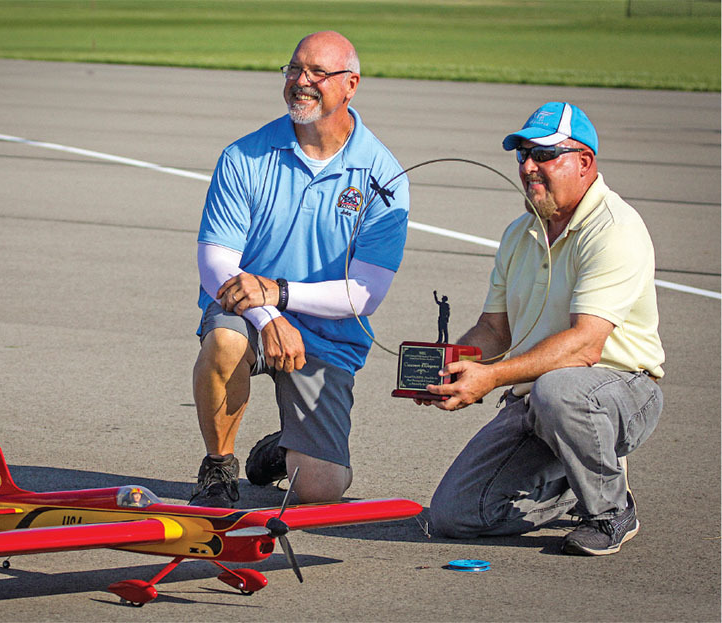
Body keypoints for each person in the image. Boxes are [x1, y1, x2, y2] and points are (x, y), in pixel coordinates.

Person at [420, 102, 664, 556]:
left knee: (560, 391)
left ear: (584, 162)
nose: (529, 166)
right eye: (523, 154)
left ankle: (611, 510)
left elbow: (586, 345)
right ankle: (575, 480)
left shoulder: (615, 229)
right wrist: (447, 369)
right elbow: (494, 329)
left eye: (544, 154)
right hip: (536, 397)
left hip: (620, 391)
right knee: (453, 516)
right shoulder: (519, 234)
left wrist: (490, 378)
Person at [190, 31, 409, 508]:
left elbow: (367, 293)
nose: (301, 81)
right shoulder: (244, 156)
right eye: (294, 69)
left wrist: (280, 294)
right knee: (225, 340)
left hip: (327, 335)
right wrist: (268, 315)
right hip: (247, 316)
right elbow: (215, 263)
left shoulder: (383, 175)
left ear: (350, 85)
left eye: (316, 73)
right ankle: (218, 467)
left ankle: (281, 450)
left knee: (320, 491)